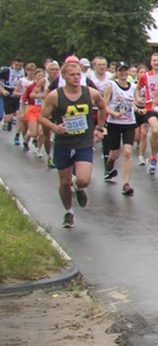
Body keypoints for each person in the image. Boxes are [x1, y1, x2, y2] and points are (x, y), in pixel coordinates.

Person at [40, 59, 108, 228]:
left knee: (84, 179)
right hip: (63, 143)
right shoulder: (55, 96)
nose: (76, 78)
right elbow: (42, 117)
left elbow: (102, 107)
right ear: (63, 76)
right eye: (72, 75)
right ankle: (69, 212)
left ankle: (78, 188)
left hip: (83, 142)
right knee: (64, 182)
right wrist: (55, 127)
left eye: (79, 74)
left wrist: (99, 128)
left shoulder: (90, 93)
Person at [101, 61, 139, 196]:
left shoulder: (133, 87)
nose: (123, 73)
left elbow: (133, 102)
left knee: (128, 152)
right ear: (116, 72)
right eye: (120, 71)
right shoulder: (111, 86)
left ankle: (126, 184)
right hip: (114, 123)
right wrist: (114, 113)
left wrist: (138, 109)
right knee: (114, 154)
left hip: (129, 123)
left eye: (125, 70)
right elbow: (104, 106)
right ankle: (110, 163)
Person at [137, 52, 158, 175]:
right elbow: (138, 89)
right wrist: (138, 98)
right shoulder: (145, 76)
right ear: (151, 62)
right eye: (154, 60)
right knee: (155, 130)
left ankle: (153, 157)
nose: (156, 63)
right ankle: (153, 157)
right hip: (150, 107)